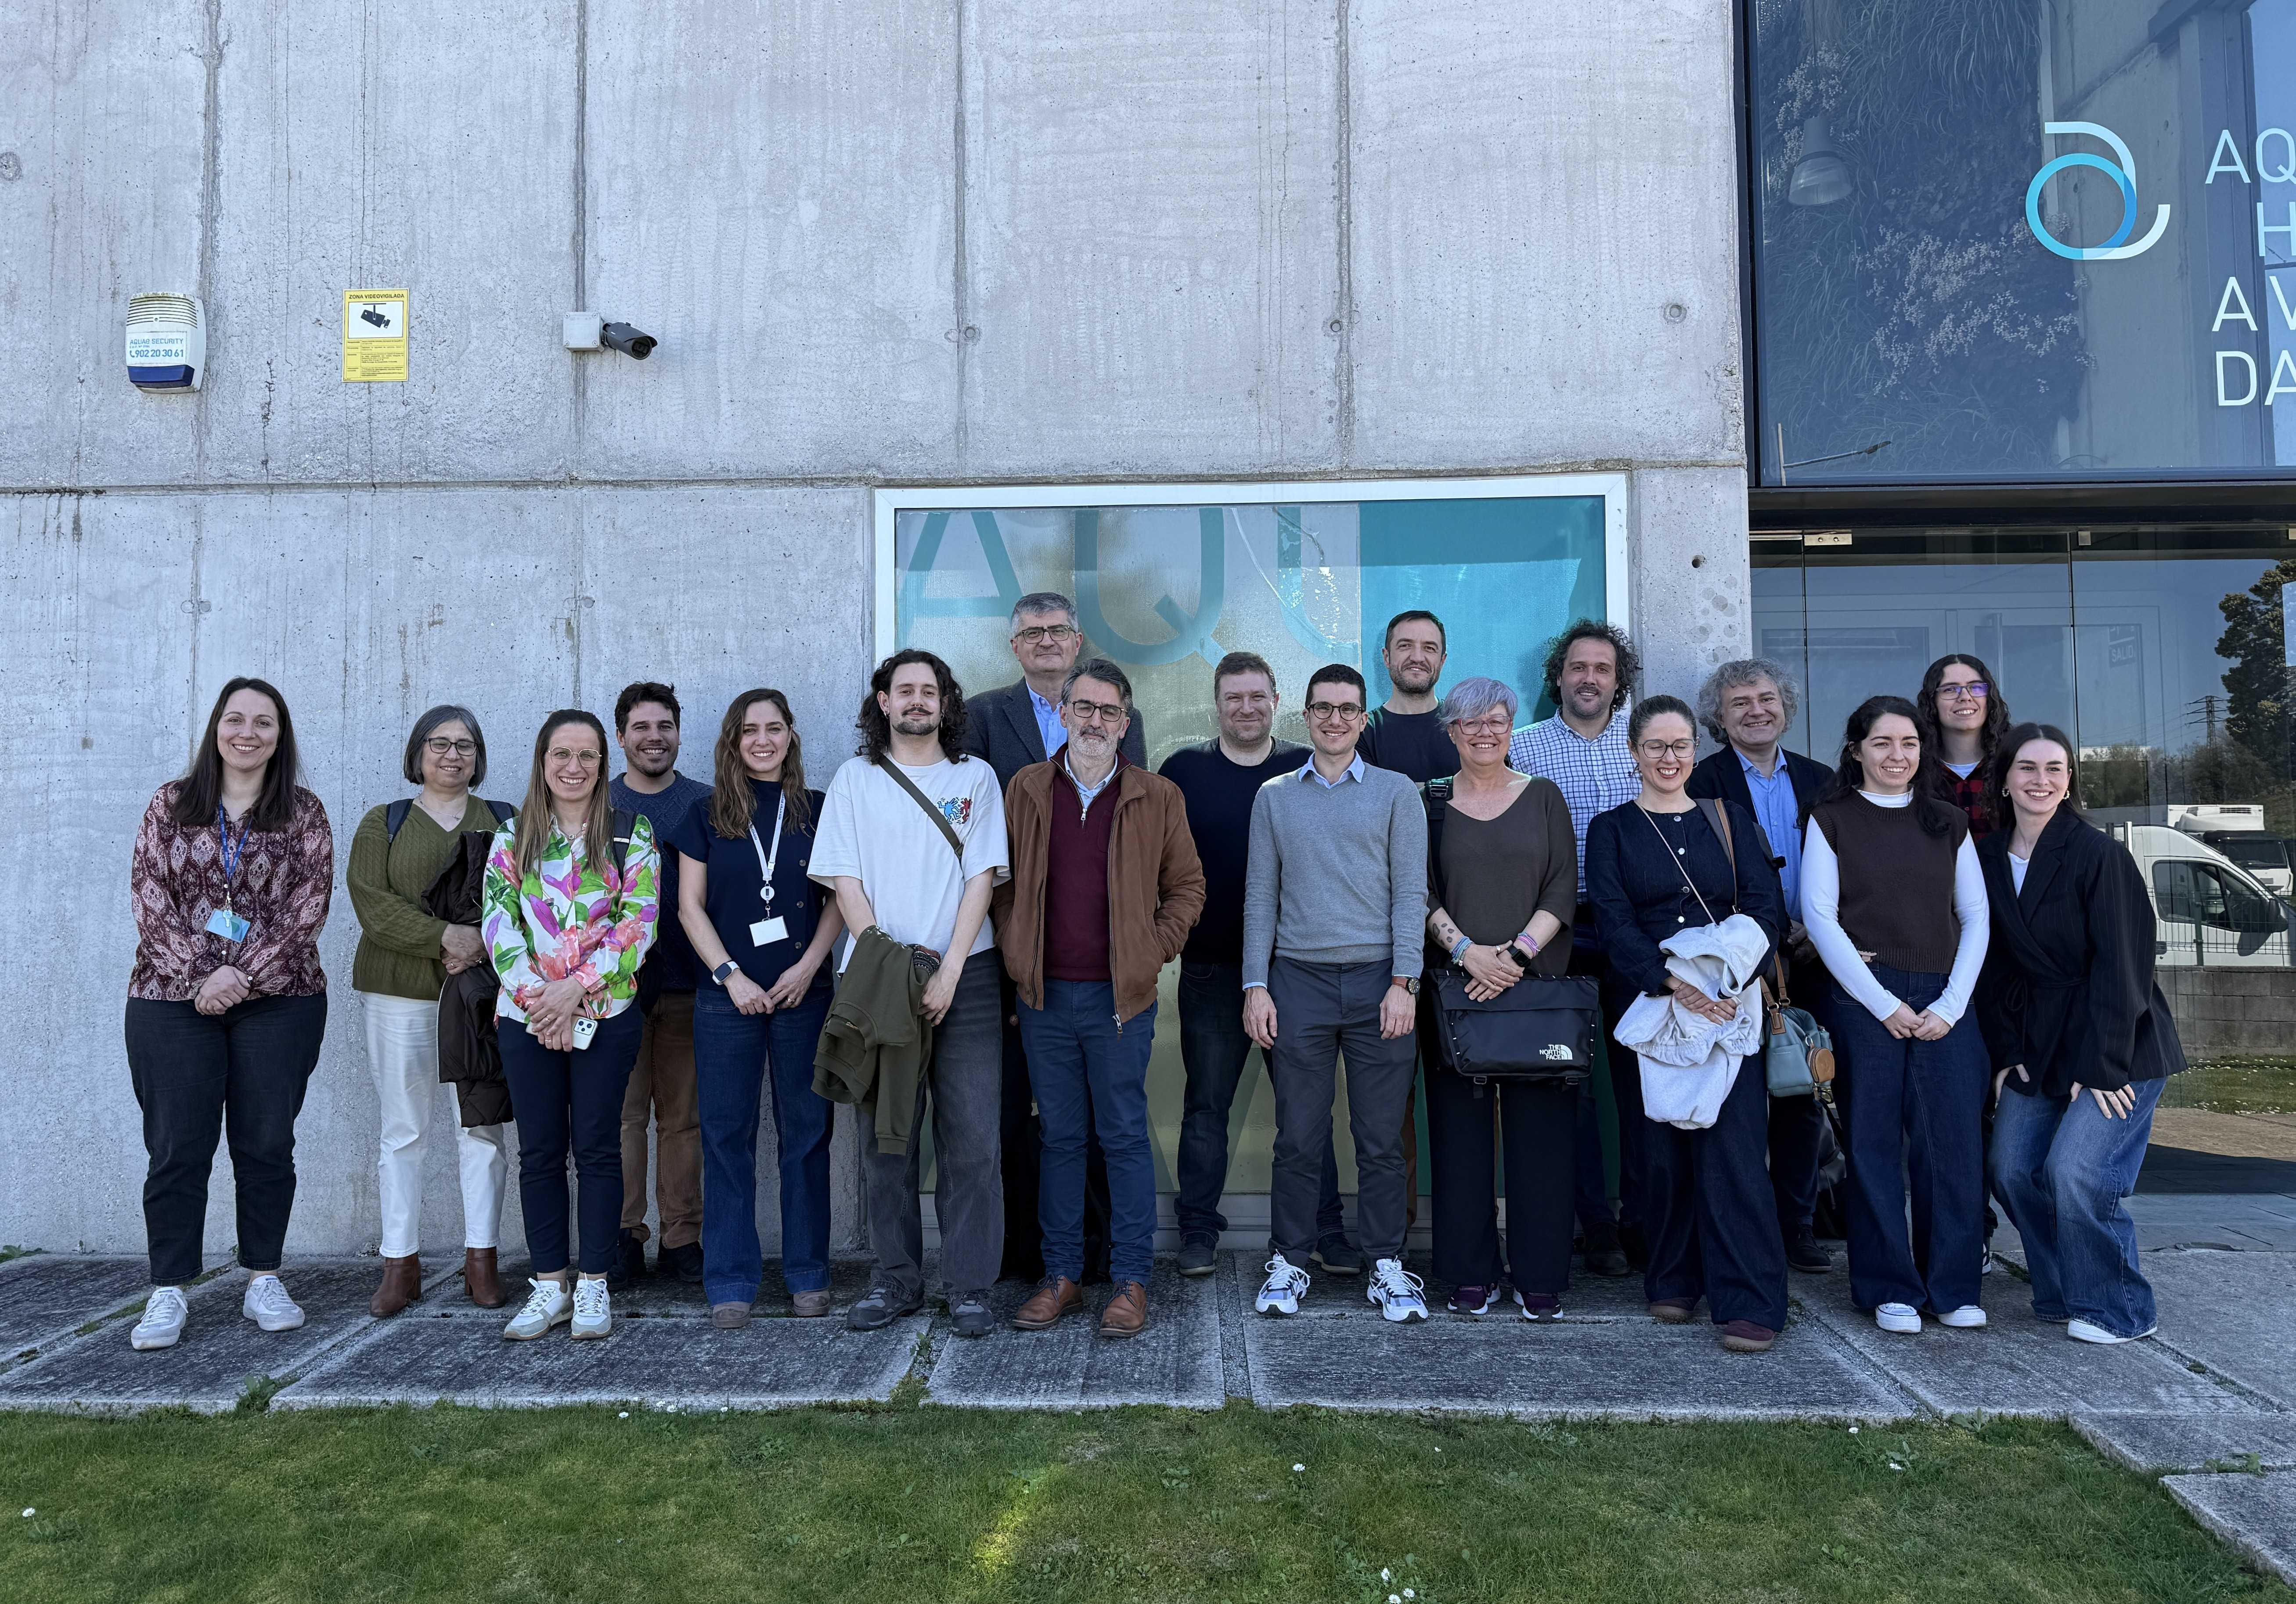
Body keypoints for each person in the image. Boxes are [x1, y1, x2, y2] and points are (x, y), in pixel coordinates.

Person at [126, 678, 334, 1352]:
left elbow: (309, 906)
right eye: (236, 719)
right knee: (177, 1146)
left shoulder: (303, 812)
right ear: (216, 726)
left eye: (264, 722)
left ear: (280, 735)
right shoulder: (169, 804)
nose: (248, 732)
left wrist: (240, 976)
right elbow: (149, 897)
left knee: (266, 1142)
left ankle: (263, 1277)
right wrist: (200, 974)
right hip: (169, 999)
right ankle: (168, 1288)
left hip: (281, 1000)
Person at [1000, 659, 1204, 1338]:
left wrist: (1151, 949)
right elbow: (1000, 884)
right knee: (1059, 1137)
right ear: (1063, 714)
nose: (1094, 720)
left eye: (1108, 710)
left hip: (1121, 1001)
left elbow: (1187, 887)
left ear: (1125, 722)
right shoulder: (1027, 788)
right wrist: (1016, 952)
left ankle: (1131, 1280)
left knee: (1122, 1137)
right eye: (1083, 707)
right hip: (1044, 999)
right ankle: (1060, 1276)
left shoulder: (1157, 795)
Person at [814, 649, 1010, 1338]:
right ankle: (895, 1280)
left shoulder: (975, 776)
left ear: (946, 703)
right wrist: (886, 961)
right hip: (878, 976)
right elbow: (844, 880)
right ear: (884, 701)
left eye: (930, 690)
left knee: (973, 1141)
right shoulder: (854, 778)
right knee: (886, 1139)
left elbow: (982, 877)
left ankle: (970, 1288)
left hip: (968, 974)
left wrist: (950, 968)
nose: (918, 700)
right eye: (906, 690)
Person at [1585, 696, 1789, 1353]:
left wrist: (1721, 982)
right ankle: (1673, 1278)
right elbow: (1611, 919)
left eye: (1679, 746)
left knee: (1733, 1152)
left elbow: (1766, 909)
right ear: (1633, 752)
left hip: (1730, 1005)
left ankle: (1751, 1300)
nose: (1668, 758)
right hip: (1651, 1006)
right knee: (1660, 1152)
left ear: (1695, 753)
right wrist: (1672, 983)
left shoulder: (1729, 819)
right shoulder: (1611, 829)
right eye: (1655, 746)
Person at [1978, 726, 2187, 1345]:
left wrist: (2101, 1065)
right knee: (2011, 1168)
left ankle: (2120, 1309)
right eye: (2027, 767)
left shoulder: (2100, 855)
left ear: (2069, 780)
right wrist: (2005, 1054)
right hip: (2036, 1045)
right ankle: (2066, 1290)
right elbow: (1993, 967)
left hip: (2118, 1043)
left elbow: (2125, 968)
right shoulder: (1986, 857)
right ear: (2005, 778)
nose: (2041, 780)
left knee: (2076, 1172)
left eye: (2055, 768)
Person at [962, 592, 1141, 1283]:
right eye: (1032, 631)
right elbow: (977, 837)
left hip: (1101, 963)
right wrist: (1012, 952)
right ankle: (1022, 1254)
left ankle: (1098, 1257)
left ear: (1077, 639)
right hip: (1015, 954)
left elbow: (1140, 834)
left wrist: (1147, 943)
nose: (1045, 640)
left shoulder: (1119, 715)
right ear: (1015, 646)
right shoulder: (982, 716)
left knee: (1101, 1121)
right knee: (1019, 1112)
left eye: (1058, 629)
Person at [1245, 664, 1430, 1323]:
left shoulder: (1395, 792)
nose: (1334, 719)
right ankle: (1290, 1260)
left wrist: (1405, 982)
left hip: (1381, 981)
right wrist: (1256, 985)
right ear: (1305, 714)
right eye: (1322, 708)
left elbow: (1411, 893)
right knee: (1298, 1136)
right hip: (1298, 981)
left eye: (1347, 709)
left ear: (1362, 718)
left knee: (1380, 1139)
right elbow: (1260, 896)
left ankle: (1386, 1264)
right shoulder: (1274, 796)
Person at [1159, 654, 1355, 1277]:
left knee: (1306, 1110)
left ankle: (1327, 1229)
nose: (1245, 708)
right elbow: (1156, 865)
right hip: (1212, 970)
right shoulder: (1182, 772)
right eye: (1233, 698)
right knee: (1205, 1107)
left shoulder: (1307, 768)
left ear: (1276, 701)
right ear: (1217, 704)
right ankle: (1197, 1230)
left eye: (1256, 697)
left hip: (1295, 970)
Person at [1804, 695, 1991, 1336]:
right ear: (1856, 750)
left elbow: (1976, 916)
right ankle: (1889, 1287)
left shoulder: (1947, 822)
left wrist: (1952, 1004)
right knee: (1874, 1145)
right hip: (1865, 998)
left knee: (1952, 1146)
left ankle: (1953, 1287)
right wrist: (1882, 1004)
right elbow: (1820, 918)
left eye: (1909, 743)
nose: (1897, 755)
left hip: (1946, 998)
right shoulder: (1830, 818)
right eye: (1882, 743)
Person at [483, 711, 660, 1341]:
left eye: (587, 755)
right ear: (543, 761)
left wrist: (574, 990)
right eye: (562, 753)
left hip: (604, 1015)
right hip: (527, 1016)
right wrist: (543, 1002)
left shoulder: (630, 833)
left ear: (602, 764)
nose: (574, 766)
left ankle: (593, 1283)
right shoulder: (512, 836)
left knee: (597, 1148)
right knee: (539, 1152)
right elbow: (498, 925)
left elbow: (638, 924)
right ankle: (550, 1285)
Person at [673, 690, 844, 1327]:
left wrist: (809, 967)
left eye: (775, 728)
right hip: (727, 1001)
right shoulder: (704, 814)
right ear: (733, 740)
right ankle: (731, 1279)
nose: (763, 740)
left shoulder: (819, 810)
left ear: (791, 735)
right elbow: (689, 906)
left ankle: (808, 1273)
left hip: (805, 996)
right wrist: (731, 976)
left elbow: (840, 897)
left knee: (808, 1135)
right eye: (750, 730)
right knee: (725, 1137)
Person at [1418, 678, 1579, 1318]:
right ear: (1451, 732)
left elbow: (1562, 888)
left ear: (1512, 728)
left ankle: (1540, 1274)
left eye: (1496, 721)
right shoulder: (1428, 801)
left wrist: (1513, 958)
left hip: (1534, 992)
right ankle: (1469, 1272)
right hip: (1455, 994)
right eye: (1470, 722)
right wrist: (1467, 953)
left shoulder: (1544, 797)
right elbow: (1418, 890)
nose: (1484, 732)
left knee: (1541, 1142)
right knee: (1459, 1140)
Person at [347, 705, 514, 1317]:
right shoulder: (384, 822)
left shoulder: (506, 820)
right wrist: (447, 936)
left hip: (480, 999)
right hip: (400, 996)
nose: (452, 755)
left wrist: (481, 946)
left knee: (482, 1128)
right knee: (404, 1130)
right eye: (439, 744)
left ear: (479, 756)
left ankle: (482, 1261)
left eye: (465, 745)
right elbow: (373, 904)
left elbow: (528, 900)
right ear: (418, 753)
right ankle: (401, 1265)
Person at [1687, 658, 1837, 1276]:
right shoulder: (1702, 782)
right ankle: (1741, 1228)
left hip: (1818, 960)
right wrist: (1766, 934)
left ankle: (1796, 1225)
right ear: (1719, 719)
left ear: (1785, 706)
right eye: (1740, 703)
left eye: (1766, 698)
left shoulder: (1823, 780)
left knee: (1802, 1093)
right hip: (1740, 966)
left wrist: (1820, 931)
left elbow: (1851, 865)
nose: (1756, 711)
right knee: (1738, 1099)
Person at [1509, 620, 1644, 1279]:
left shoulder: (1644, 745)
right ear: (1558, 676)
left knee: (1643, 1080)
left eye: (1603, 668)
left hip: (1635, 933)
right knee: (1569, 1085)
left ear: (1619, 682)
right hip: (1554, 931)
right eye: (1578, 667)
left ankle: (1644, 1222)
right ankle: (1595, 1225)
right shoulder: (1523, 748)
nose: (1589, 678)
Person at [608, 682, 711, 1287]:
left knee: (683, 1120)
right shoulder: (598, 802)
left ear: (678, 733)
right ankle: (623, 1237)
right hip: (613, 990)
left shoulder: (706, 802)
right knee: (621, 1120)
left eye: (665, 726)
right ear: (621, 736)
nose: (655, 737)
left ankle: (682, 1239)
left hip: (688, 986)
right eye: (642, 727)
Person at [1357, 610, 1457, 783]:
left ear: (1442, 661)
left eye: (1429, 648)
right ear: (1387, 657)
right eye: (1405, 646)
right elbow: (1368, 795)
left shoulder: (1466, 726)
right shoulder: (1362, 732)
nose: (1417, 658)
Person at [1916, 654, 2010, 838]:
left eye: (1976, 687)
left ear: (1989, 698)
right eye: (1950, 689)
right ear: (1932, 702)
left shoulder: (2013, 763)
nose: (1965, 697)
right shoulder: (1914, 769)